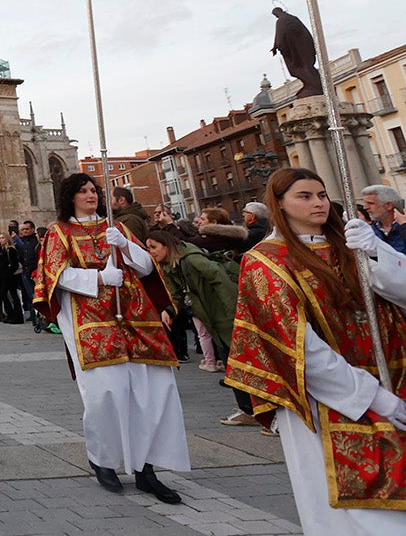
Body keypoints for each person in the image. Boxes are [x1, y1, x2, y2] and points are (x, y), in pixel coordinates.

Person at [226, 167, 406, 532]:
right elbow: (298, 345)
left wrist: (377, 252)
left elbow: (400, 292)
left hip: (393, 379)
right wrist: (370, 396)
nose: (318, 203)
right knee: (351, 515)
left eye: (322, 195)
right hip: (327, 398)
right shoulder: (265, 262)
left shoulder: (350, 245)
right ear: (279, 204)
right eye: (304, 196)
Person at [34, 172, 188, 504]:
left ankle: (146, 469)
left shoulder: (117, 228)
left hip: (134, 315)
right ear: (69, 196)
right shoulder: (59, 232)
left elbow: (148, 268)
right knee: (107, 392)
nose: (91, 195)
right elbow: (55, 275)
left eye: (94, 190)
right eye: (83, 191)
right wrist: (99, 277)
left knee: (150, 390)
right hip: (91, 318)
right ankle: (103, 460)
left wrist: (127, 248)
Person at [144, 228, 254, 426]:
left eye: (153, 247)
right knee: (232, 362)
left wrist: (234, 312)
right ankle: (247, 409)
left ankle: (257, 409)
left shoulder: (191, 259)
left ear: (167, 247)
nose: (150, 251)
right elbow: (175, 294)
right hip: (211, 315)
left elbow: (218, 276)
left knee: (239, 361)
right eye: (148, 247)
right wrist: (169, 310)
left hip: (223, 314)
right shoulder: (169, 266)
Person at [363, 184, 406, 256]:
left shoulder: (403, 226)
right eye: (365, 203)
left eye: (371, 203)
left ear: (389, 206)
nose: (365, 207)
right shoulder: (369, 231)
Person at [16, 221, 42, 326]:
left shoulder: (35, 241)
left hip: (34, 272)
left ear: (32, 229)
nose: (25, 231)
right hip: (26, 271)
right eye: (23, 230)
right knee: (29, 295)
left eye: (27, 229)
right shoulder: (24, 241)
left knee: (35, 295)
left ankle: (39, 318)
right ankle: (33, 316)